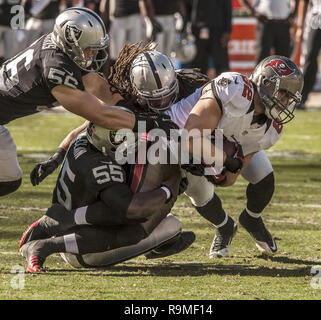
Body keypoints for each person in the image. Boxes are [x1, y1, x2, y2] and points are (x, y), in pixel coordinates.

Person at [35, 43, 304, 259]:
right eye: (152, 97)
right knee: (194, 191)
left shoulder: (205, 89)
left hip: (214, 139)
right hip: (182, 146)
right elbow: (97, 120)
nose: (161, 100)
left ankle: (251, 219)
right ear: (138, 93)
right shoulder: (135, 104)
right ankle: (220, 228)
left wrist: (224, 166)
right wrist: (60, 152)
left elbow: (217, 157)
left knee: (262, 177)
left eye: (166, 92)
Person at [0, 7, 177, 197]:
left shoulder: (62, 51)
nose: (93, 54)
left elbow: (102, 89)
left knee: (9, 180)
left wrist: (132, 107)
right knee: (8, 180)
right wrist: (149, 123)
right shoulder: (55, 67)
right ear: (70, 41)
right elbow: (100, 115)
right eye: (89, 49)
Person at [20, 108, 195, 272]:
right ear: (110, 144)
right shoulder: (101, 167)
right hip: (83, 250)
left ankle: (54, 222)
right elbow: (132, 209)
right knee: (145, 228)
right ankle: (48, 245)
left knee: (136, 208)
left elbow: (96, 118)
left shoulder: (86, 139)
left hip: (74, 222)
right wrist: (168, 189)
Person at [295, 0, 321, 109]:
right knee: (310, 55)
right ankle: (302, 98)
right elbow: (303, 2)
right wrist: (300, 26)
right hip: (317, 16)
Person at [183, 0, 232, 75]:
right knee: (198, 66)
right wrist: (186, 27)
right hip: (197, 30)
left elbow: (227, 6)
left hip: (218, 30)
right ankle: (198, 86)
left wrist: (228, 30)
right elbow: (187, 6)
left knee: (222, 66)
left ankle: (226, 86)